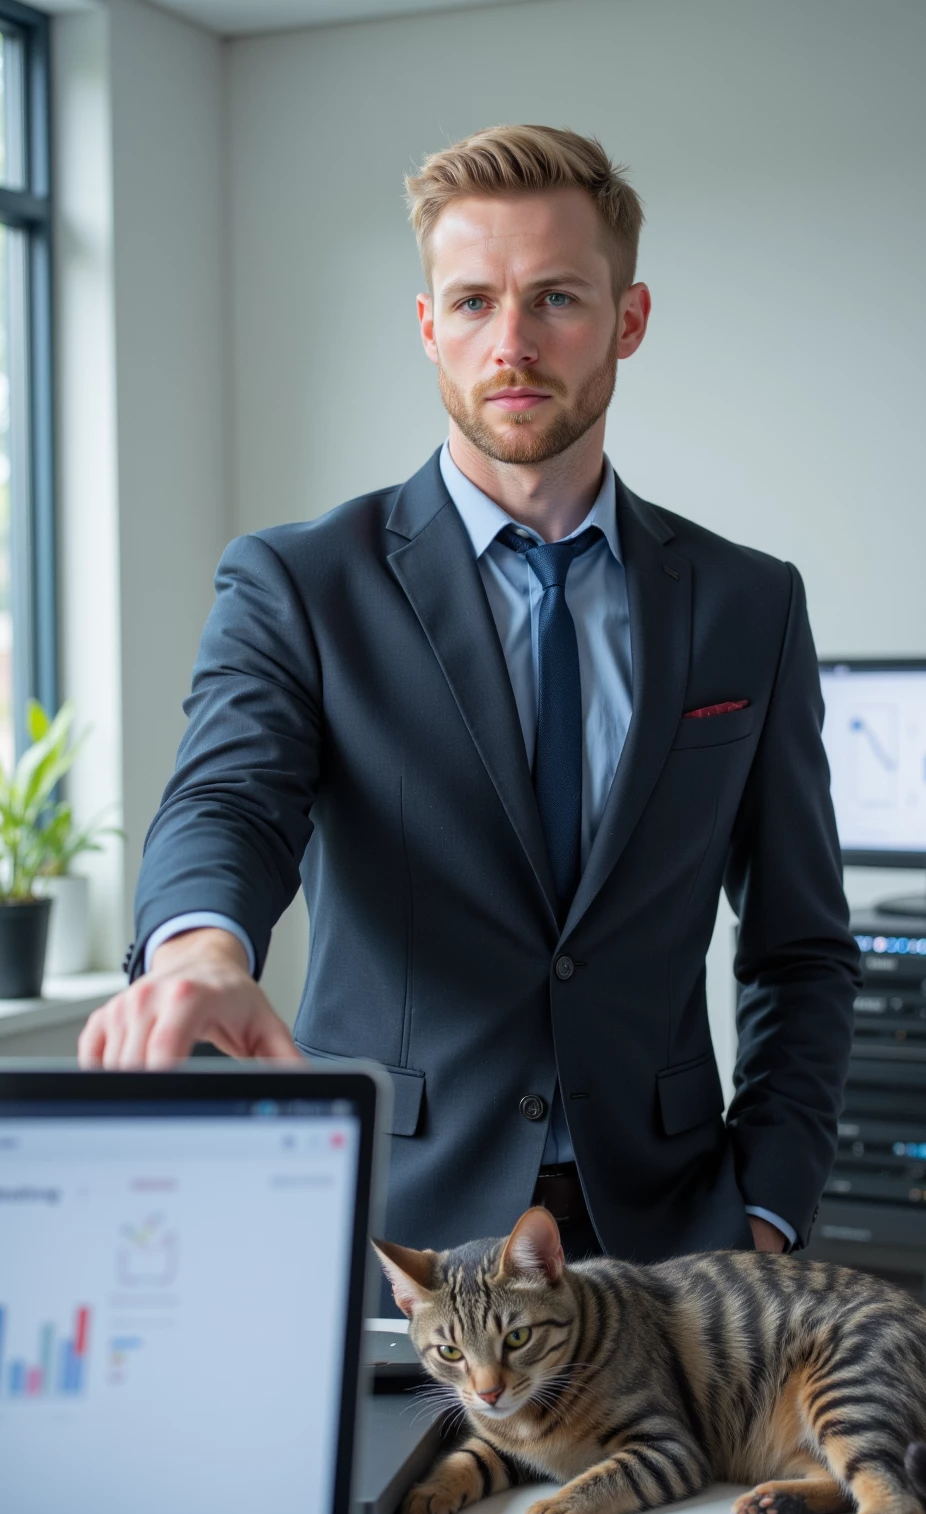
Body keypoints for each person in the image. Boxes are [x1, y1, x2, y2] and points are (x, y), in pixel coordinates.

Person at [78, 124, 859, 1270]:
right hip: (396, 1230)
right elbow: (230, 800)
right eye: (474, 302)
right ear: (427, 326)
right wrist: (199, 953)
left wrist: (769, 1207)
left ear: (628, 321)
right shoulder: (300, 583)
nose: (512, 344)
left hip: (675, 1243)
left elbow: (800, 947)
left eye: (554, 300)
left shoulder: (749, 604)